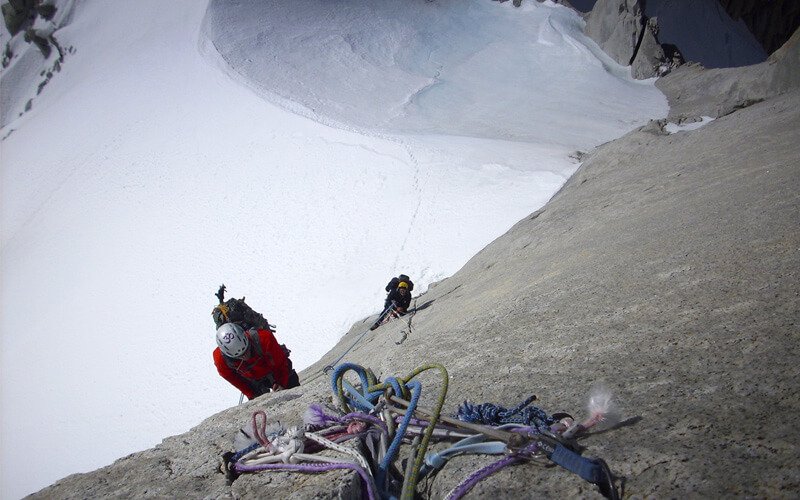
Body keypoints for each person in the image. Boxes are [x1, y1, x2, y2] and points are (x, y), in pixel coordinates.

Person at [213, 322, 300, 400]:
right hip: (253, 379)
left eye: (246, 350)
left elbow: (280, 363)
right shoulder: (221, 360)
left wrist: (281, 383)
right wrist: (252, 394)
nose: (245, 356)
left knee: (290, 381)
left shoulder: (264, 338)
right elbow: (235, 380)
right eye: (239, 356)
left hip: (271, 370)